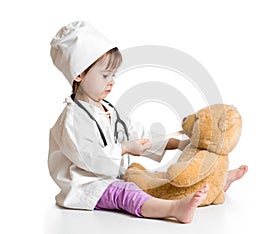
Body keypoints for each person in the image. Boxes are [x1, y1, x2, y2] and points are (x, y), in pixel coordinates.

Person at [48, 20, 247, 224]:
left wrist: (177, 144)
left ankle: (217, 182)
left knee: (156, 180)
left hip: (112, 177)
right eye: (105, 75)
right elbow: (90, 158)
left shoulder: (108, 109)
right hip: (87, 186)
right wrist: (124, 149)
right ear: (79, 74)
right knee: (127, 193)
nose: (112, 81)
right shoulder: (72, 119)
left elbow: (138, 135)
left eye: (114, 75)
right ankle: (174, 209)